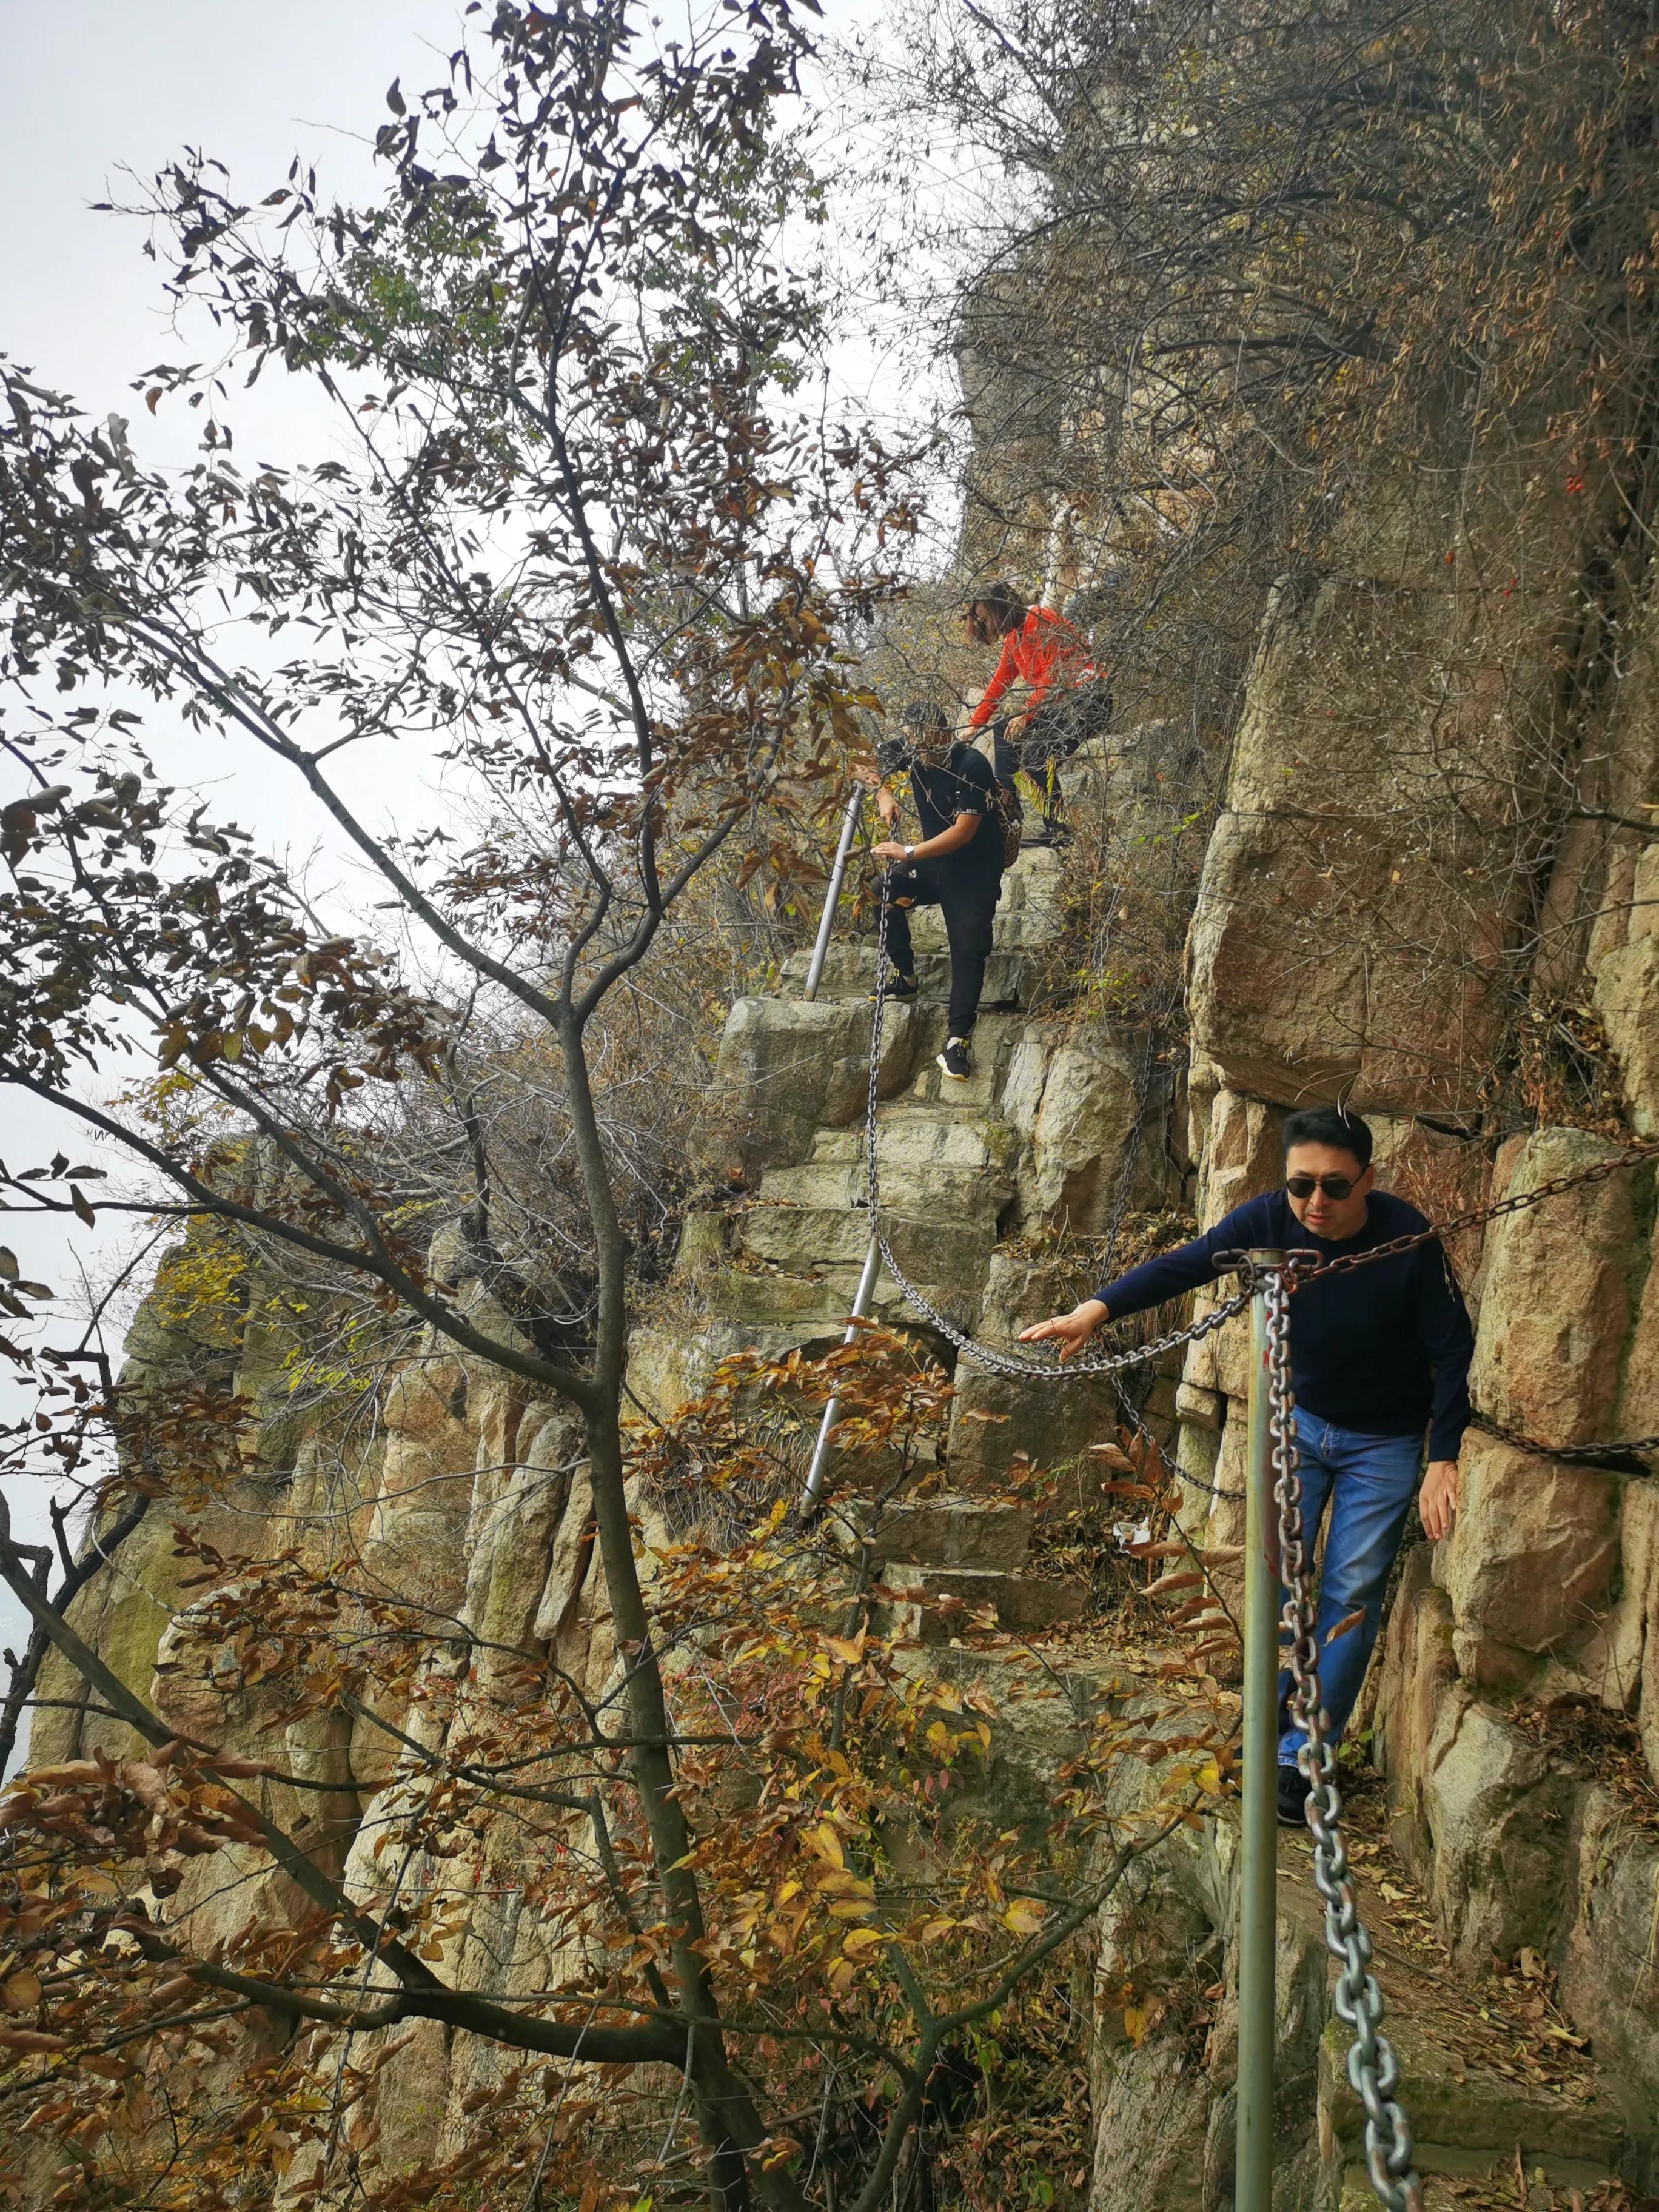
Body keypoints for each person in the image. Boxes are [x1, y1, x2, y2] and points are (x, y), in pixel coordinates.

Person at [1016, 1104, 1473, 1825]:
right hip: (1297, 1422)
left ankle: (1301, 1760)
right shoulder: (1266, 1223)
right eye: (1301, 1187)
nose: (1315, 1203)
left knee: (1350, 1597)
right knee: (1275, 1580)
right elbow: (1186, 1265)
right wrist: (1096, 1310)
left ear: (1368, 1180)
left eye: (1335, 1187)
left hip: (1382, 1444)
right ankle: (1266, 1722)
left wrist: (1443, 1457)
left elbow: (1453, 1349)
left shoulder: (1406, 1239)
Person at [860, 702, 1008, 1085]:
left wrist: (908, 852)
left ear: (942, 733)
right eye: (910, 740)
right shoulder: (911, 753)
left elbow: (963, 832)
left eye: (921, 739)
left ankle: (957, 1040)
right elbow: (859, 763)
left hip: (974, 871)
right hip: (935, 865)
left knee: (968, 946)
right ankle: (906, 977)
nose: (915, 749)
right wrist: (884, 794)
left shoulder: (972, 765)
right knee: (885, 890)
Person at [963, 581, 1113, 844]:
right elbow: (999, 683)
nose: (986, 625)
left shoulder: (1038, 619)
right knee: (1002, 728)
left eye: (986, 618)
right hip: (1064, 701)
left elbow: (1054, 676)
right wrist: (975, 725)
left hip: (1089, 697)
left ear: (998, 609)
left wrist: (1026, 715)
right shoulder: (1013, 639)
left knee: (1037, 758)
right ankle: (1008, 811)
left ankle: (1058, 832)